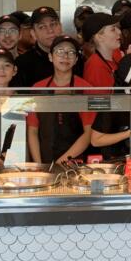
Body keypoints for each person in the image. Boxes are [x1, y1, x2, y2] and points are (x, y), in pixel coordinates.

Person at [26, 35, 96, 164]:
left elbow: (88, 134)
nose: (65, 56)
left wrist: (60, 163)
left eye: (71, 52)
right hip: (44, 162)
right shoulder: (37, 88)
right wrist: (39, 164)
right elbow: (32, 130)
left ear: (76, 60)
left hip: (74, 163)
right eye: (59, 51)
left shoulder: (85, 88)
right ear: (50, 57)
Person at [13, 6, 61, 87]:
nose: (50, 30)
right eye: (42, 27)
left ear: (60, 27)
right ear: (33, 34)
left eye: (53, 24)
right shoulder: (22, 63)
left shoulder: (73, 58)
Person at [80, 12, 123, 87]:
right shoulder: (95, 66)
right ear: (99, 37)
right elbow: (100, 98)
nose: (119, 32)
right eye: (113, 29)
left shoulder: (111, 60)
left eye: (117, 28)